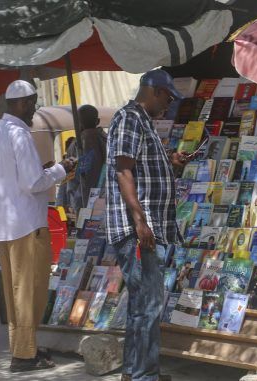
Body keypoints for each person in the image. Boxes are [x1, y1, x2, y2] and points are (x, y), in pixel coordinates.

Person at [0, 80, 76, 373]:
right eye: (32, 103)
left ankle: (25, 347)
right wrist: (61, 169)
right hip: (25, 225)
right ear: (21, 104)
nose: (34, 109)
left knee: (16, 291)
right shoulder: (18, 135)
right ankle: (23, 355)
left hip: (6, 224)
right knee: (29, 291)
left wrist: (45, 170)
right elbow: (32, 182)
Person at [106, 69, 189, 381]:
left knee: (142, 304)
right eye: (167, 97)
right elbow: (123, 169)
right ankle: (143, 376)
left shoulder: (143, 122)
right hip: (136, 231)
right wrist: (140, 222)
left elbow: (141, 165)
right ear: (153, 90)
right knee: (148, 305)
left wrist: (171, 162)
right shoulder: (129, 118)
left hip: (145, 228)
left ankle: (136, 372)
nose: (168, 104)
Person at [66, 105, 107, 210]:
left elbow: (87, 177)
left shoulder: (85, 140)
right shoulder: (106, 139)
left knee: (89, 225)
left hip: (87, 200)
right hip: (102, 196)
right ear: (97, 121)